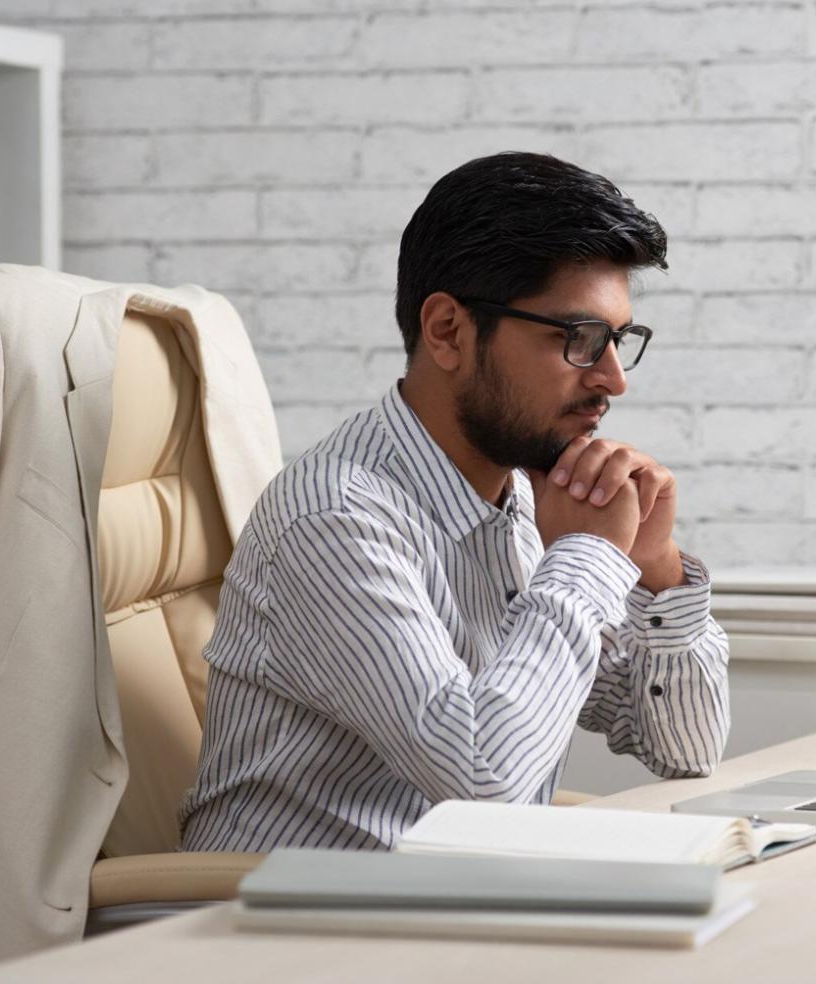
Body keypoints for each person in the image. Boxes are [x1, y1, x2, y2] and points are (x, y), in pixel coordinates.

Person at [180, 152, 730, 852]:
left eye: (618, 341)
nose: (614, 380)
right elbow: (483, 781)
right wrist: (586, 559)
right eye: (579, 340)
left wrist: (654, 574)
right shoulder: (338, 521)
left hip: (446, 903)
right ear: (447, 331)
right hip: (296, 932)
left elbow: (685, 748)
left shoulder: (526, 501)